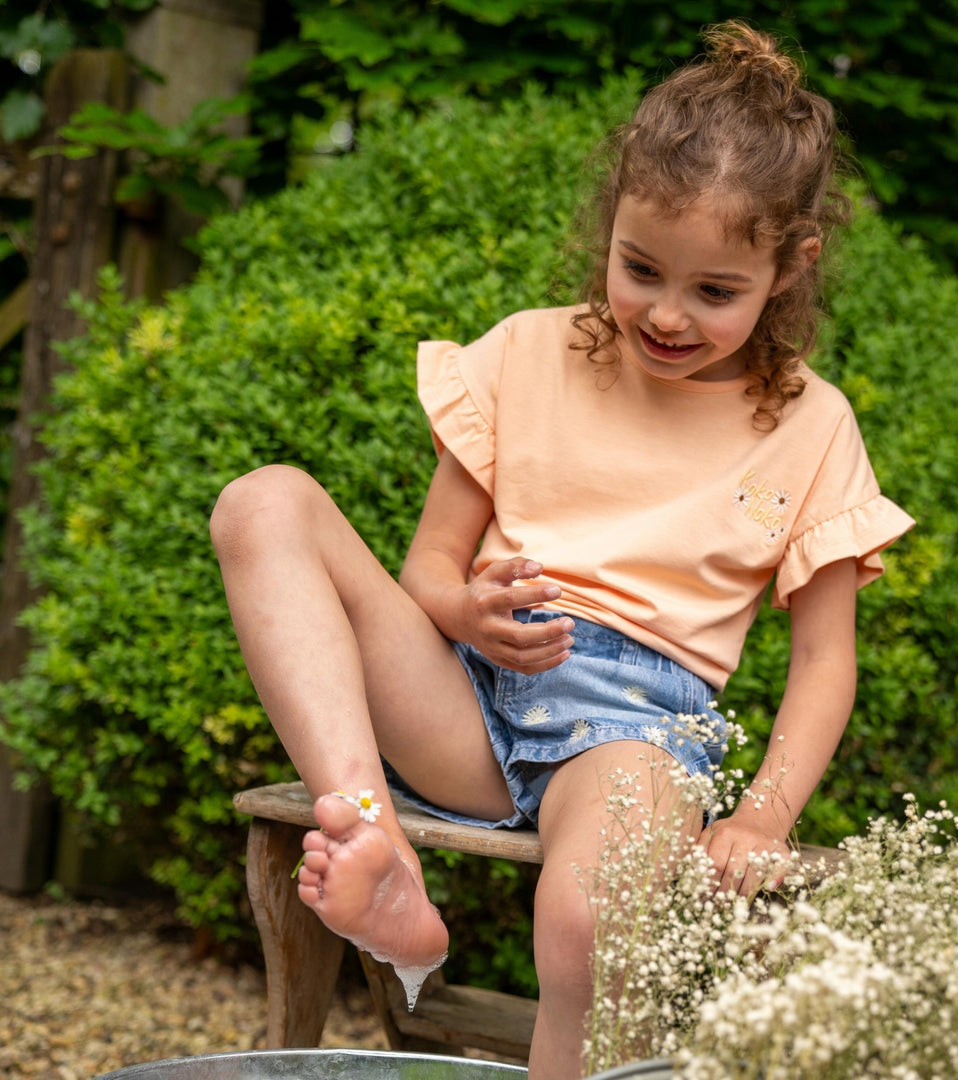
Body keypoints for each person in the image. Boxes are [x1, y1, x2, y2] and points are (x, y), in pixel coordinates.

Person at [210, 20, 914, 1079]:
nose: (666, 315)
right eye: (641, 269)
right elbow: (427, 575)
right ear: (610, 226)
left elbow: (824, 659)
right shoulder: (528, 352)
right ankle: (372, 839)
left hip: (634, 736)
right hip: (468, 696)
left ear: (791, 266)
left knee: (587, 925)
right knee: (263, 503)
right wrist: (464, 610)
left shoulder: (811, 425)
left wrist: (763, 817)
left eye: (714, 291)